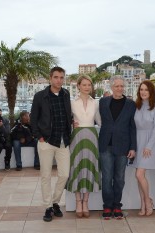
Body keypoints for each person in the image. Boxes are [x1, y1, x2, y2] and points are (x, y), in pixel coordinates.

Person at [30, 66, 72, 222]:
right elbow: (33, 118)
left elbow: (67, 114)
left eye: (62, 77)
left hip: (63, 142)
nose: (59, 80)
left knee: (64, 174)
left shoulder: (66, 94)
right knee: (46, 176)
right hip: (46, 141)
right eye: (56, 77)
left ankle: (55, 202)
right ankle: (48, 207)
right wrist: (39, 136)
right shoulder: (40, 96)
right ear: (50, 78)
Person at [98, 75, 136, 220]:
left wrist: (133, 147)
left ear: (124, 87)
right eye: (116, 86)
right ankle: (107, 206)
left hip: (123, 146)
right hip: (105, 145)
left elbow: (133, 127)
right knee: (106, 178)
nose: (119, 88)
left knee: (119, 178)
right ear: (111, 87)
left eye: (121, 86)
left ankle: (117, 205)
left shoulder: (131, 105)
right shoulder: (103, 102)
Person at [66, 75, 101, 218]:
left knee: (89, 167)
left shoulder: (96, 103)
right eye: (84, 85)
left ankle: (85, 202)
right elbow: (67, 121)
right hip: (77, 137)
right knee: (76, 167)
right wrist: (70, 124)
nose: (87, 87)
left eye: (89, 85)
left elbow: (100, 121)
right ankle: (77, 202)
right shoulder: (71, 103)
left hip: (92, 137)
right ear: (78, 86)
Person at [131, 80, 155, 216]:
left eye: (146, 90)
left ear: (151, 92)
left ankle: (148, 201)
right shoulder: (136, 107)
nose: (143, 92)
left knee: (139, 174)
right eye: (141, 89)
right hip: (137, 143)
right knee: (139, 175)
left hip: (150, 144)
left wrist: (149, 146)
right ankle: (143, 204)